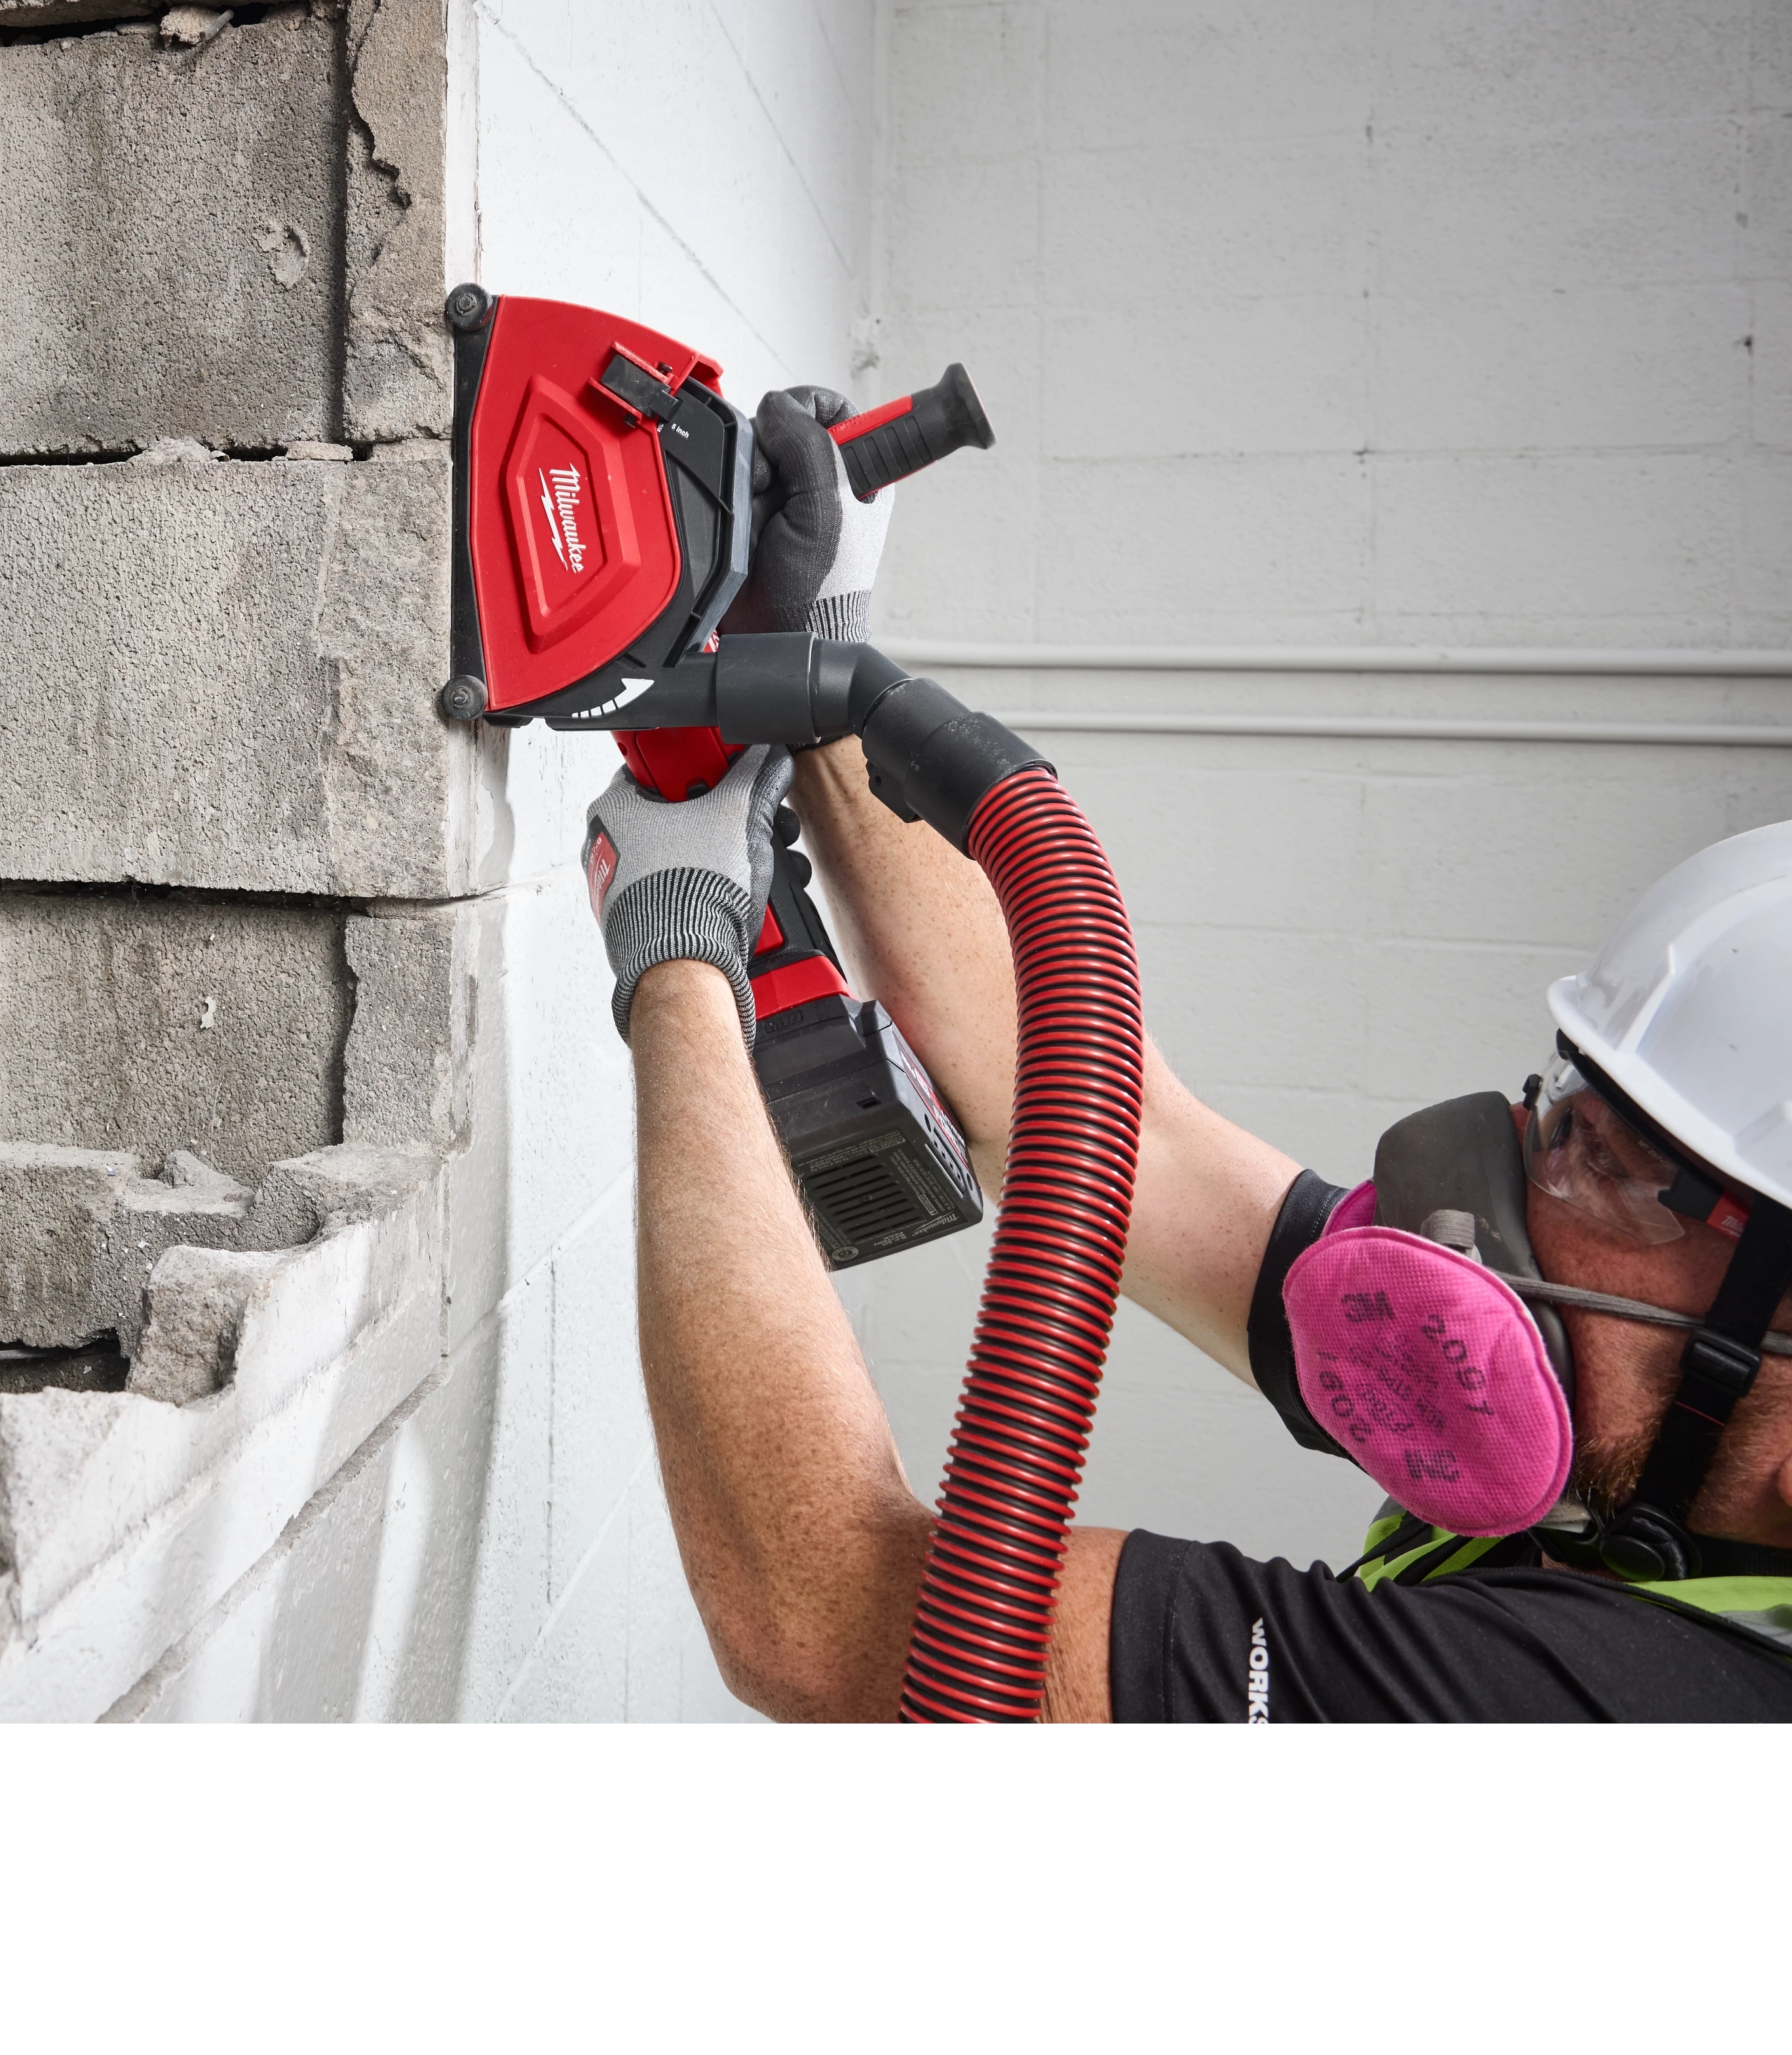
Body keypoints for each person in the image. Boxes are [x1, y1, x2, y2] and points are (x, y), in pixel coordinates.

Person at [581, 386, 1792, 1723]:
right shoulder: (1610, 1454)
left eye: (1614, 1170)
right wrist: (817, 669)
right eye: (1559, 1114)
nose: (1498, 1187)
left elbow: (831, 1620)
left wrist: (678, 951)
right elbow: (1112, 1129)